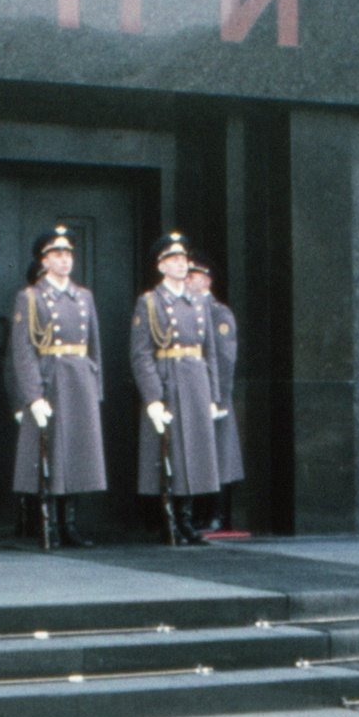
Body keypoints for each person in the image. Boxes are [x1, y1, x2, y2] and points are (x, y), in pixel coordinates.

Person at [7, 225, 107, 547]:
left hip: (80, 379)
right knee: (51, 453)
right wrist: (33, 395)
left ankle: (70, 524)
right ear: (44, 260)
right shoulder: (31, 297)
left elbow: (94, 346)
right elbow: (22, 351)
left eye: (68, 254)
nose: (64, 260)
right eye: (57, 254)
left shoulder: (84, 296)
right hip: (51, 379)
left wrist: (96, 387)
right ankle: (47, 524)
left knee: (77, 453)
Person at [131, 233, 222, 545]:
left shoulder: (198, 302)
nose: (182, 264)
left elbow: (209, 351)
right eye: (174, 259)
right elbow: (141, 354)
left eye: (184, 259)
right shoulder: (150, 302)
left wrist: (213, 394)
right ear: (161, 266)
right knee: (169, 454)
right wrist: (153, 397)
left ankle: (187, 520)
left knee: (195, 453)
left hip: (195, 380)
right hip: (168, 380)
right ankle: (169, 520)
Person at [190, 252, 244, 533]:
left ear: (207, 280)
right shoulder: (189, 309)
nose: (188, 280)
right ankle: (201, 514)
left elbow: (225, 358)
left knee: (220, 456)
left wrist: (220, 397)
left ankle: (217, 515)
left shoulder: (218, 312)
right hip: (197, 390)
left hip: (216, 392)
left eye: (193, 276)